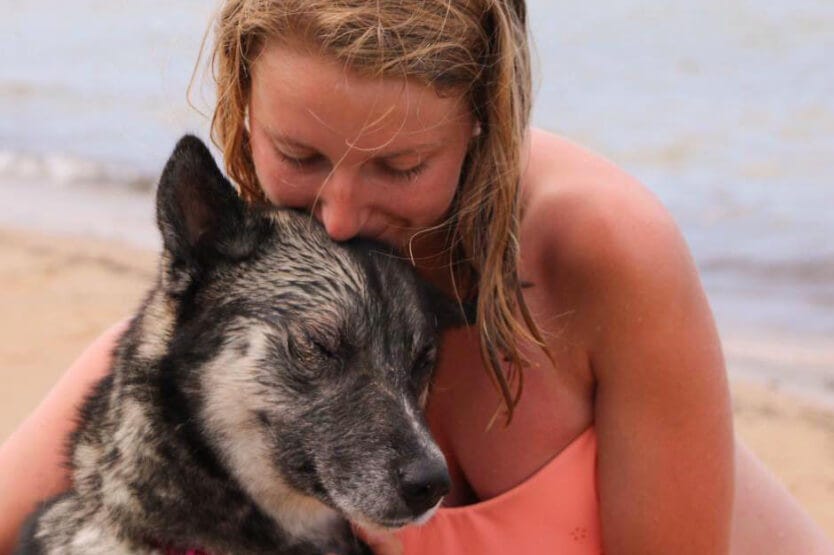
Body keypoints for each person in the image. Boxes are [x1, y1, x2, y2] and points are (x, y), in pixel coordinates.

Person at [1, 1, 832, 553]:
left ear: (483, 120)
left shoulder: (603, 250)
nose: (340, 212)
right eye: (299, 155)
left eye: (400, 166)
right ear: (243, 102)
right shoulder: (238, 296)